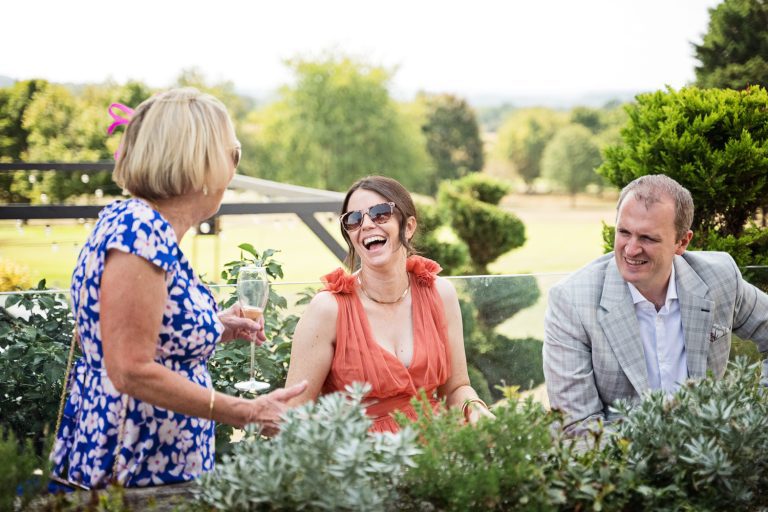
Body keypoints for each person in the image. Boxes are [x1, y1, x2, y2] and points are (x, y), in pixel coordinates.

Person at [49, 88, 307, 490]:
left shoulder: (134, 223)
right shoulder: (141, 231)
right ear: (198, 160)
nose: (234, 167)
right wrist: (247, 411)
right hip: (141, 473)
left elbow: (124, 332)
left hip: (152, 467)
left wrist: (214, 326)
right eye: (231, 152)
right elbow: (130, 368)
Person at [543, 174, 768, 435]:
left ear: (682, 242)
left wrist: (756, 417)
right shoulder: (572, 302)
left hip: (713, 461)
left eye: (648, 238)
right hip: (623, 467)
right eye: (624, 232)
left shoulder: (720, 278)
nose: (631, 250)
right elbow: (577, 427)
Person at [284, 175, 493, 432]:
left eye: (380, 213)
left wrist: (477, 410)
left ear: (408, 226)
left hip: (437, 455)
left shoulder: (441, 294)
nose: (367, 224)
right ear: (349, 235)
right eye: (353, 220)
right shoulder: (328, 309)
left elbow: (456, 388)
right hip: (361, 462)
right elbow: (294, 414)